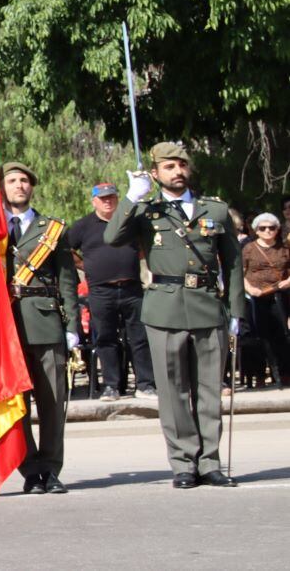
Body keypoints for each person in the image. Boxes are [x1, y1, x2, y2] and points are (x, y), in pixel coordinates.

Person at [108, 142, 244, 488]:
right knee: (173, 390)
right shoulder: (146, 211)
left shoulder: (214, 210)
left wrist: (236, 311)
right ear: (154, 174)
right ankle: (183, 462)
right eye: (168, 167)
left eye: (181, 165)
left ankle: (210, 461)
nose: (177, 172)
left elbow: (233, 263)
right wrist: (131, 197)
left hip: (208, 305)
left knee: (210, 389)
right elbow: (112, 237)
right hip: (164, 307)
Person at [0, 163, 80, 494]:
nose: (19, 185)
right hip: (6, 327)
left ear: (32, 187)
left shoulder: (51, 228)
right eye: (12, 181)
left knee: (52, 402)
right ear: (2, 188)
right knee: (16, 403)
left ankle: (51, 470)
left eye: (24, 181)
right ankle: (30, 470)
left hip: (46, 321)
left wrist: (72, 327)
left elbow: (68, 279)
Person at [69, 181, 157, 399]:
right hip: (100, 291)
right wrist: (84, 264)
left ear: (118, 199)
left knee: (139, 338)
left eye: (111, 197)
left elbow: (147, 245)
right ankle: (112, 386)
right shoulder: (83, 225)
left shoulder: (130, 221)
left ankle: (145, 384)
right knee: (105, 339)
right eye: (103, 198)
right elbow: (66, 248)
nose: (108, 202)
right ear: (94, 201)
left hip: (132, 288)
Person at [241, 213, 290, 387]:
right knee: (257, 336)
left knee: (282, 335)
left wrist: (286, 282)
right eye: (263, 228)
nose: (267, 231)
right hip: (255, 296)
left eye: (271, 228)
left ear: (277, 230)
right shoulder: (248, 248)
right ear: (256, 230)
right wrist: (250, 289)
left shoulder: (284, 249)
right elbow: (240, 272)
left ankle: (284, 374)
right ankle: (259, 375)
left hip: (278, 295)